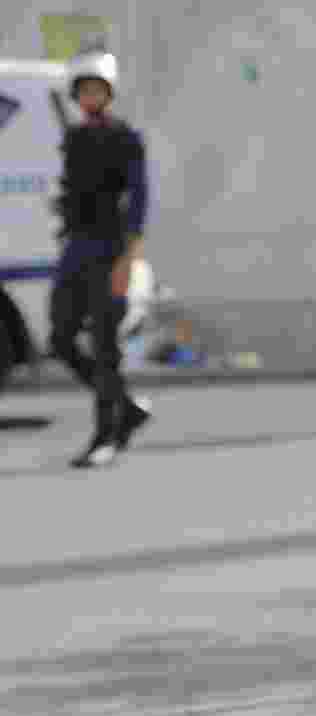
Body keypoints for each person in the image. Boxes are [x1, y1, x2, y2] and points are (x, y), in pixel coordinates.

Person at [50, 52, 152, 469]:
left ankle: (106, 434)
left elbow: (139, 199)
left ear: (109, 93)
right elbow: (74, 193)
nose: (90, 96)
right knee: (60, 337)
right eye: (84, 90)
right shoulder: (73, 138)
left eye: (98, 89)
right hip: (75, 248)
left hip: (111, 250)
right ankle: (125, 407)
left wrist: (128, 259)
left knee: (105, 346)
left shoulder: (125, 137)